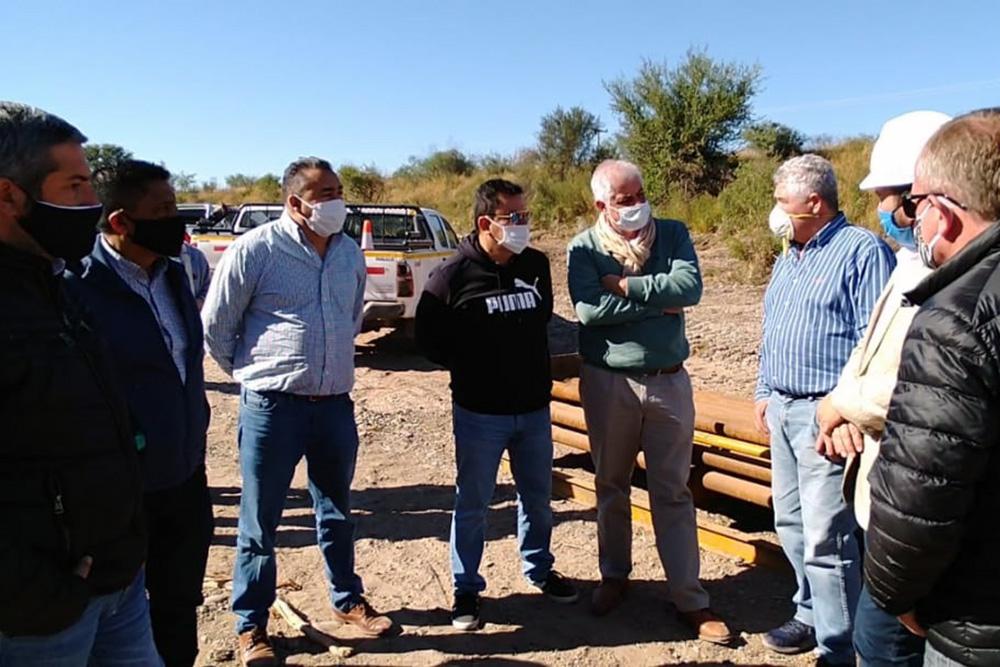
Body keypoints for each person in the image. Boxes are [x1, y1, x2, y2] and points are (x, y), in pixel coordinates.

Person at [202, 157, 391, 666]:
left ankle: (347, 598)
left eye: (338, 189)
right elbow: (217, 327)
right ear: (295, 202)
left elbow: (352, 316)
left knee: (337, 511)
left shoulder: (350, 251)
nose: (335, 200)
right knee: (259, 522)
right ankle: (252, 625)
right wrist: (254, 374)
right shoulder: (256, 250)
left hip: (333, 405)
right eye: (322, 192)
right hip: (272, 407)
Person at [0, 102, 159, 664]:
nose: (93, 204)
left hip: (118, 585)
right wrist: (36, 592)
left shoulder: (56, 286)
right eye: (74, 186)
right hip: (37, 618)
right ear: (9, 195)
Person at [567, 159, 732, 645]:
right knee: (611, 484)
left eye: (640, 194)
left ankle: (690, 599)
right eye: (624, 199)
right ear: (601, 205)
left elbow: (690, 288)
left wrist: (627, 286)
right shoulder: (585, 247)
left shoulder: (673, 234)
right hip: (608, 382)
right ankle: (614, 577)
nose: (637, 205)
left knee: (673, 491)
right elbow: (589, 312)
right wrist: (658, 304)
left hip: (668, 381)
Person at [64, 160, 214, 667]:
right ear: (120, 222)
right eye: (164, 210)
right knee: (112, 617)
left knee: (178, 606)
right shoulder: (76, 287)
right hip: (121, 492)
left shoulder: (176, 273)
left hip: (185, 478)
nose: (178, 220)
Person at [814, 111, 950, 667]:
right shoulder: (907, 263)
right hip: (884, 494)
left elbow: (923, 384)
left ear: (927, 200)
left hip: (916, 502)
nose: (885, 211)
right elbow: (866, 354)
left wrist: (840, 407)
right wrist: (841, 407)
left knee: (887, 646)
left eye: (893, 197)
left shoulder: (953, 281)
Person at [865, 108, 1000, 667]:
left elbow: (920, 493)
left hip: (978, 616)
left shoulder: (955, 319)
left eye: (913, 205)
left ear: (942, 212)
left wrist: (898, 594)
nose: (907, 219)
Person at [415, 179, 578, 632]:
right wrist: (474, 366)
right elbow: (429, 343)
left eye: (526, 216)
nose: (524, 225)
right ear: (486, 222)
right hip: (479, 412)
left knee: (538, 498)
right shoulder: (450, 277)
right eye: (515, 218)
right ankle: (466, 588)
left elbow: (540, 318)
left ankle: (539, 569)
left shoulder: (537, 265)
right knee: (474, 501)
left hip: (532, 409)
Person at [755, 154, 895, 665]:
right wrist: (763, 391)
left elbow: (874, 344)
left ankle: (841, 649)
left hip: (825, 417)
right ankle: (809, 613)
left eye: (780, 200)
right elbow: (772, 332)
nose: (775, 210)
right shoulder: (789, 255)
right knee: (790, 523)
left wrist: (847, 415)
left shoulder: (859, 251)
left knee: (828, 539)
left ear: (813, 201)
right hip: (783, 410)